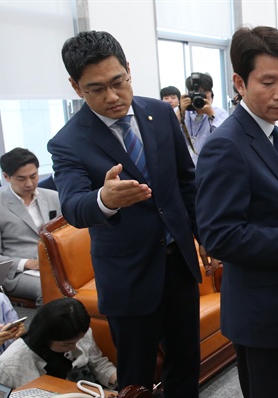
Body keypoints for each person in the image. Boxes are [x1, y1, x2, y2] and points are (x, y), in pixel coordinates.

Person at [47, 31, 203, 396]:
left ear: (129, 70)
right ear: (75, 86)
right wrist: (105, 198)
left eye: (119, 82)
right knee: (136, 375)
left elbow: (186, 183)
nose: (113, 96)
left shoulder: (161, 113)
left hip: (178, 263)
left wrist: (201, 235)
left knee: (185, 363)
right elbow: (73, 206)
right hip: (128, 277)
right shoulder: (68, 141)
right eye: (96, 89)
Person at [195, 26, 278, 398]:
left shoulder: (274, 130)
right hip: (263, 314)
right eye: (268, 82)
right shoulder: (225, 145)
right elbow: (220, 236)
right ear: (239, 83)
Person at [0, 148, 61, 306]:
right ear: (6, 176)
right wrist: (27, 263)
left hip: (58, 263)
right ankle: (50, 331)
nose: (29, 183)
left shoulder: (53, 197)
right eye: (21, 178)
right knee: (49, 289)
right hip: (19, 273)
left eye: (33, 176)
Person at [0, 298, 117, 389]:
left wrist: (121, 381)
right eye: (67, 345)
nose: (75, 347)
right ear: (46, 337)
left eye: (78, 340)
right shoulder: (8, 366)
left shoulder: (78, 332)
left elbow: (99, 364)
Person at [181, 73, 229, 164]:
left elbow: (226, 138)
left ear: (211, 94)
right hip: (185, 168)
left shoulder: (220, 113)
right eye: (195, 93)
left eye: (204, 92)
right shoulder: (183, 112)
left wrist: (211, 114)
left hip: (212, 165)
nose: (199, 96)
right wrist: (180, 112)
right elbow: (167, 135)